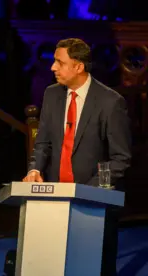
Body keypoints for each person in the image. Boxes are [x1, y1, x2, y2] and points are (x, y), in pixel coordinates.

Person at [24, 38, 131, 275]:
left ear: (78, 66)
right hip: (55, 200)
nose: (52, 67)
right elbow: (42, 143)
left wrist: (85, 192)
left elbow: (120, 158)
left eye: (59, 62)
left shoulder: (111, 102)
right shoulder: (51, 95)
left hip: (94, 203)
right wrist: (34, 170)